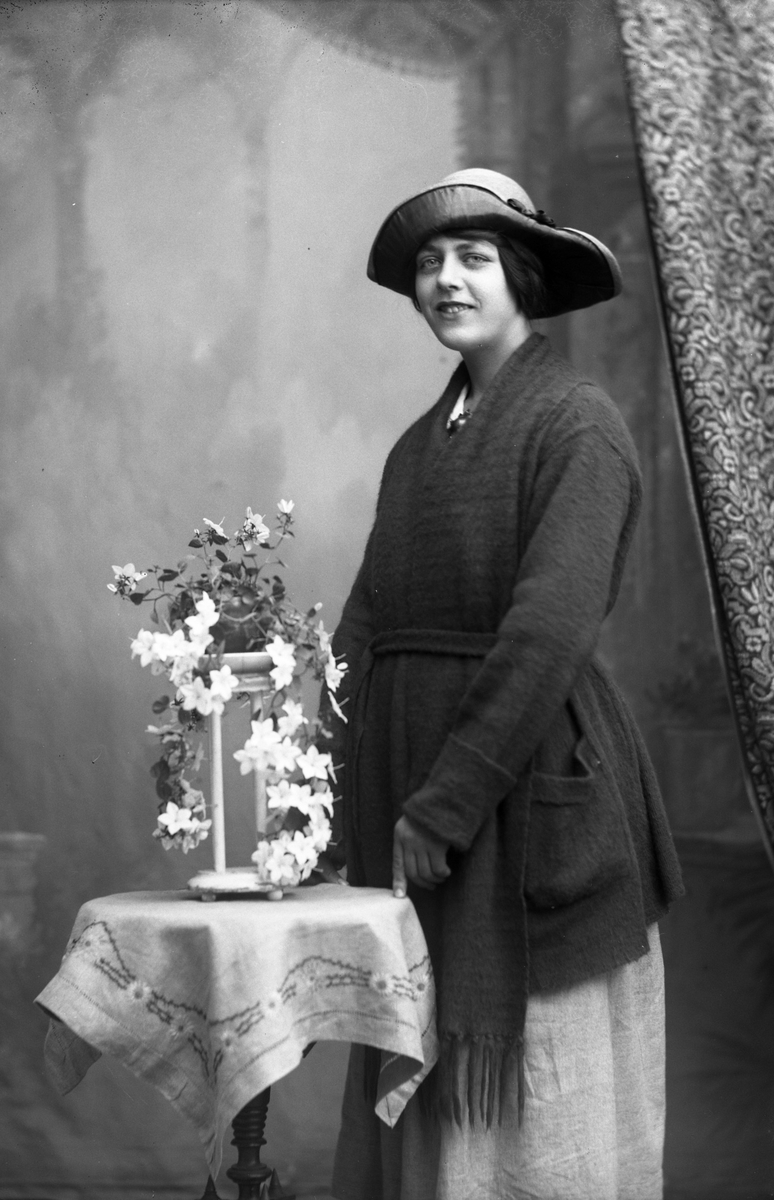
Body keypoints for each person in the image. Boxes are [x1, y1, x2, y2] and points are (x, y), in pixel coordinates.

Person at [323, 168, 684, 1200]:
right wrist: (321, 787)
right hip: (407, 792)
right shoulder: (413, 449)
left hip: (524, 790)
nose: (447, 279)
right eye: (431, 263)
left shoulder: (578, 424)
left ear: (522, 275)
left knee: (537, 1099)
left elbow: (550, 631)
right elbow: (363, 624)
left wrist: (445, 806)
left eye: (474, 257)